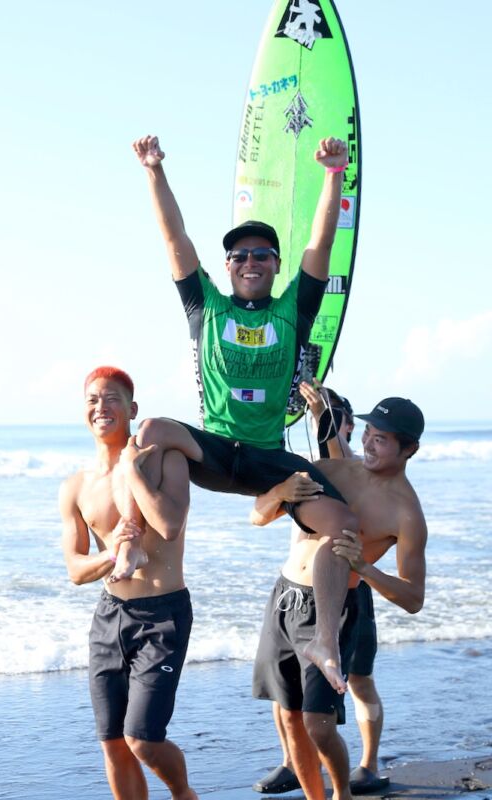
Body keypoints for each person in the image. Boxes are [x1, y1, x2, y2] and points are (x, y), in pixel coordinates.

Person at [123, 132, 358, 693]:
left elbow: (321, 248)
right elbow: (173, 237)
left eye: (262, 255)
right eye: (240, 255)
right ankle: (142, 537)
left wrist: (333, 176)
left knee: (344, 525)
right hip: (214, 451)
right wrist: (154, 170)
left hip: (268, 460)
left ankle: (326, 640)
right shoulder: (206, 306)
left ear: (275, 266)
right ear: (228, 266)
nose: (251, 261)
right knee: (153, 430)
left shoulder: (291, 312)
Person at [250, 396, 427, 800]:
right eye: (367, 432)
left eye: (380, 439)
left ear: (409, 449)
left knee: (318, 722)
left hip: (331, 611)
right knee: (288, 712)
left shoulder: (407, 514)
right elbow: (257, 515)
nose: (367, 443)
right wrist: (279, 491)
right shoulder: (331, 470)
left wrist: (365, 569)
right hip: (284, 597)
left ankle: (342, 793)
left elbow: (414, 597)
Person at [60, 365, 197, 800]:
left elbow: (171, 525)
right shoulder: (77, 487)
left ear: (132, 409)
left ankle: (183, 794)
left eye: (112, 398)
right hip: (110, 616)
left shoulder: (162, 459)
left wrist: (134, 473)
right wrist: (109, 551)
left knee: (143, 738)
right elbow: (76, 570)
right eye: (93, 400)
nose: (102, 407)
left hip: (163, 615)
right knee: (113, 742)